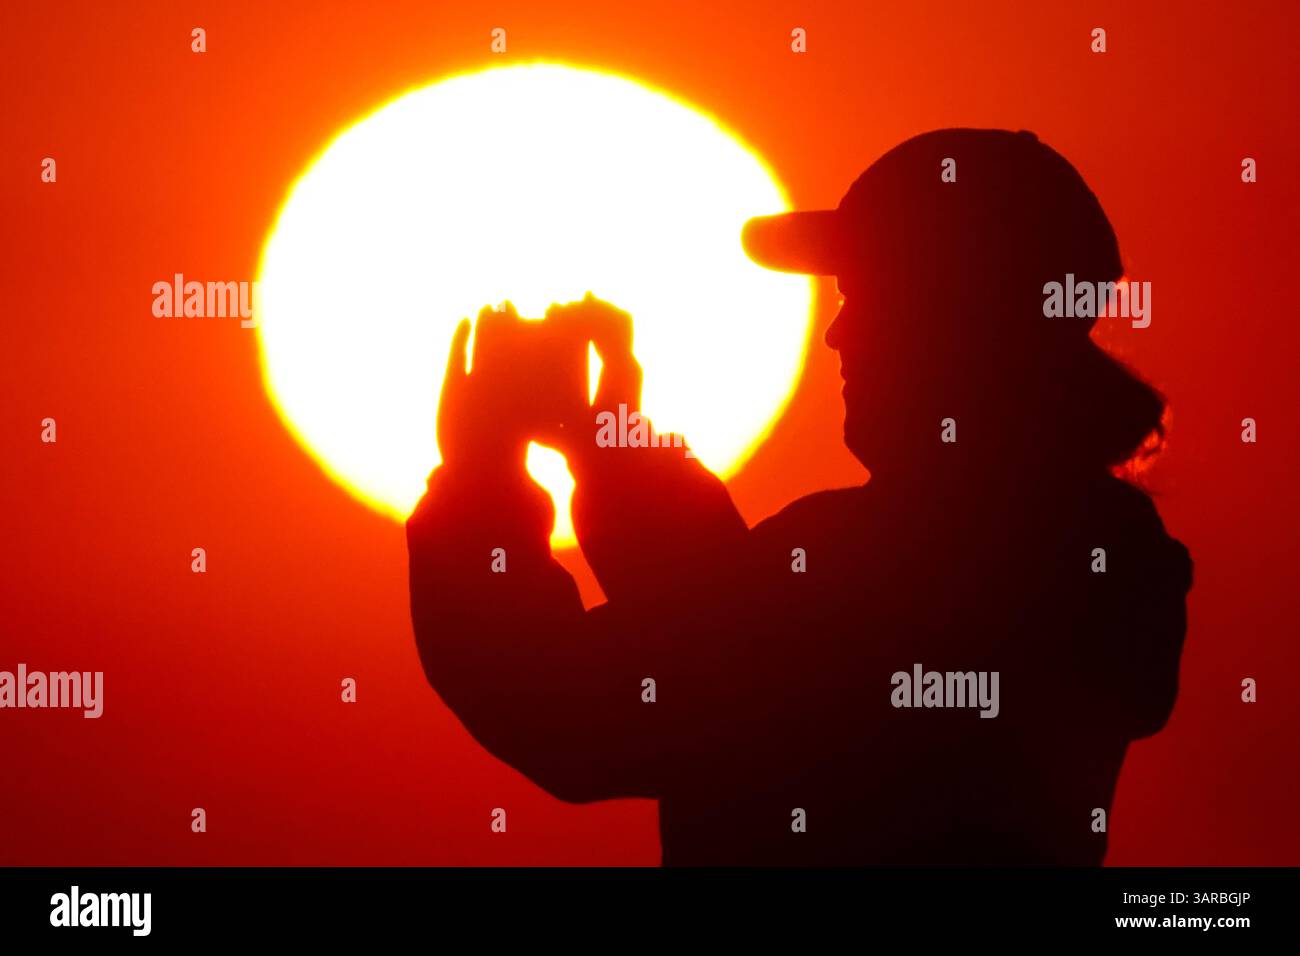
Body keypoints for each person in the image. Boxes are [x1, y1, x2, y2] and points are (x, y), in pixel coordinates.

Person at [406, 128, 1192, 865]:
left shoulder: (898, 569)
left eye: (868, 296)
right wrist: (610, 442)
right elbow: (722, 623)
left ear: (954, 322)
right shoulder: (1076, 554)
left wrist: (480, 474)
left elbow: (572, 709)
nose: (837, 335)